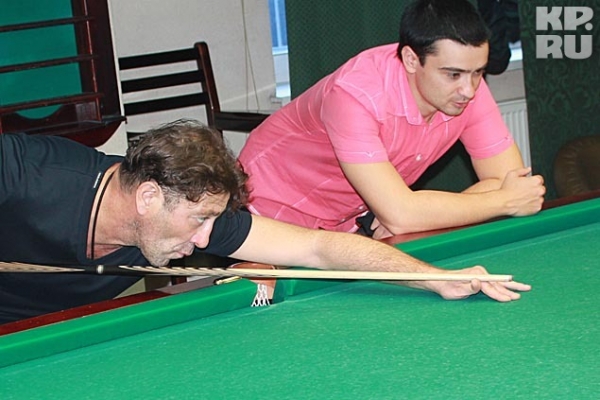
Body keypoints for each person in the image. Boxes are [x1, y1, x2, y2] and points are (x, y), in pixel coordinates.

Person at [0, 120, 530, 324]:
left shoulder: (195, 217)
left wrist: (433, 278)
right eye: (198, 221)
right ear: (147, 197)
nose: (206, 240)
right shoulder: (27, 173)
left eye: (211, 221)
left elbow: (319, 248)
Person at [238, 0, 545, 239]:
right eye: (453, 74)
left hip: (345, 221)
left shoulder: (467, 88)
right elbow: (510, 195)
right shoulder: (354, 95)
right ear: (411, 59)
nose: (469, 89)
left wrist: (414, 216)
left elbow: (508, 180)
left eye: (478, 72)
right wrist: (503, 202)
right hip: (267, 205)